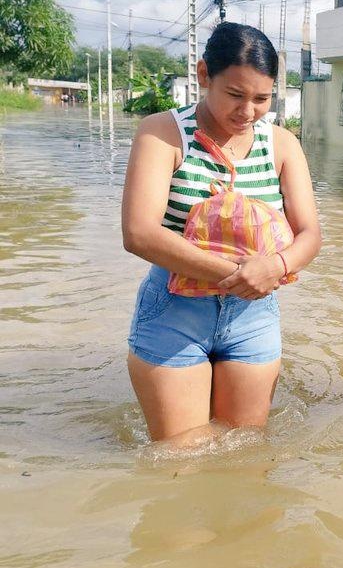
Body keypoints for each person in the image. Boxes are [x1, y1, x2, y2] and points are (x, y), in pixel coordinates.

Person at [121, 22, 322, 443]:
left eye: (262, 99)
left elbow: (310, 234)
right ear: (203, 76)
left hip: (253, 315)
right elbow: (138, 233)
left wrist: (278, 265)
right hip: (175, 311)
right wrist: (237, 274)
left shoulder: (282, 144)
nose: (247, 112)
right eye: (235, 95)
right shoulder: (162, 133)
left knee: (244, 453)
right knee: (180, 458)